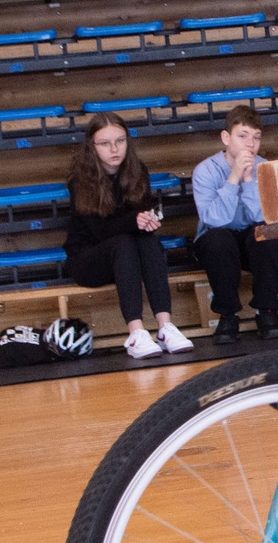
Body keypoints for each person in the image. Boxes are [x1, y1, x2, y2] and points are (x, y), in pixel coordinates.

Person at [66, 113, 195, 359]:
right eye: (105, 143)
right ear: (92, 146)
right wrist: (134, 221)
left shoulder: (138, 171)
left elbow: (142, 215)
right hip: (88, 259)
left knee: (148, 240)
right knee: (123, 243)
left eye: (120, 141)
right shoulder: (80, 181)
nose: (114, 149)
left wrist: (149, 221)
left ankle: (165, 326)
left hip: (128, 257)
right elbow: (99, 232)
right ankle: (136, 332)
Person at [191, 105, 278, 345]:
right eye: (242, 136)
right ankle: (227, 315)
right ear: (226, 138)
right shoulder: (205, 171)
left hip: (249, 241)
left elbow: (264, 216)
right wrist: (234, 177)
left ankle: (267, 311)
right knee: (219, 240)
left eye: (256, 137)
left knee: (265, 235)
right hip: (216, 241)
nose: (250, 144)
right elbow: (214, 220)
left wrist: (249, 179)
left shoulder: (264, 167)